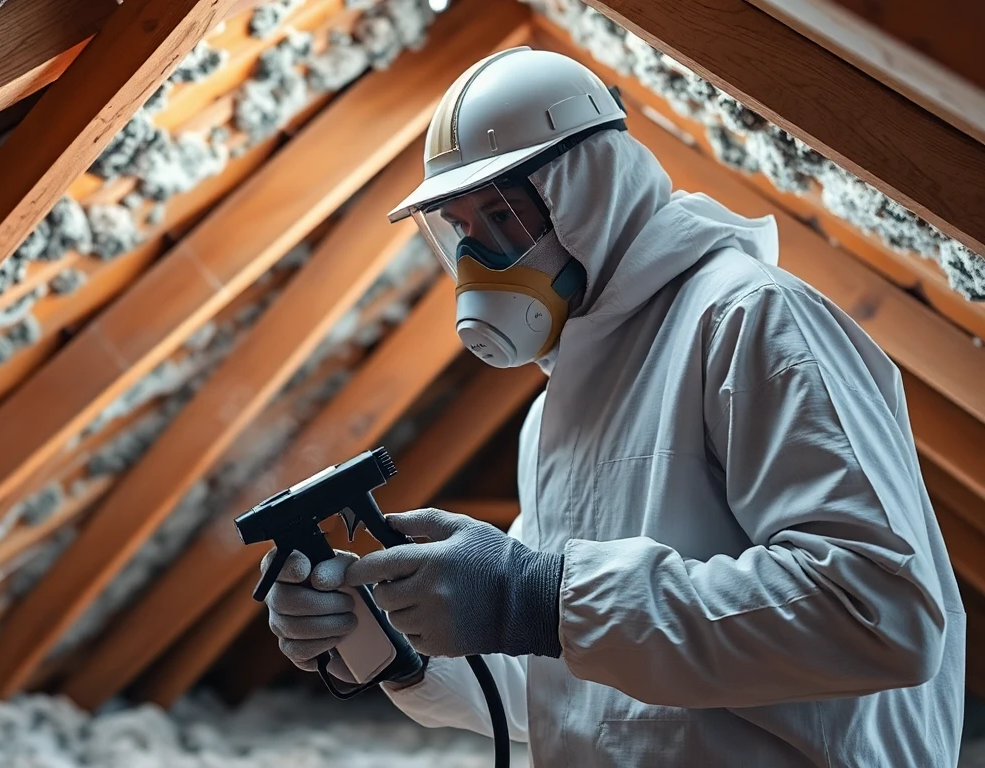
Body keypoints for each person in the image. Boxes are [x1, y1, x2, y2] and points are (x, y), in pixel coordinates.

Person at [258, 47, 966, 765]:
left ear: (587, 193)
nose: (477, 259)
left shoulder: (749, 321)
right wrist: (388, 641)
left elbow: (879, 611)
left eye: (500, 215)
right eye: (459, 229)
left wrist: (537, 597)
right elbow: (569, 692)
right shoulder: (554, 415)